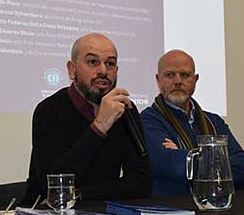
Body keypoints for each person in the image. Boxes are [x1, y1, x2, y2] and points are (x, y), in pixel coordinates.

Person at [26, 33, 151, 202]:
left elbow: (141, 182)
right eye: (93, 62)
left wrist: (79, 195)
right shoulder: (49, 111)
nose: (103, 71)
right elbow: (54, 184)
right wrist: (99, 126)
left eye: (110, 63)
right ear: (72, 70)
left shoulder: (125, 110)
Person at [141, 50, 244, 195]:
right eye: (170, 75)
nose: (178, 81)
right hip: (172, 210)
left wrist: (187, 155)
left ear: (195, 79)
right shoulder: (148, 120)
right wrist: (219, 159)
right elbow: (174, 166)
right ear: (158, 79)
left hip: (216, 207)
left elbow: (242, 169)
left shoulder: (214, 121)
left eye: (185, 75)